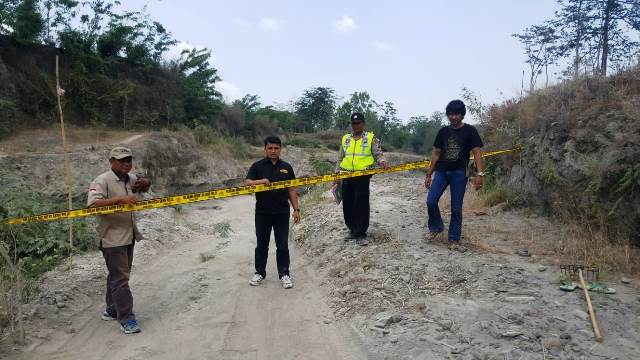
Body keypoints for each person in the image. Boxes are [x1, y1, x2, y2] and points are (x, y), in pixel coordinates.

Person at [87, 146, 150, 334]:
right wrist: (120, 200)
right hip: (112, 237)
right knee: (121, 278)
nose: (126, 164)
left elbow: (143, 186)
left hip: (128, 234)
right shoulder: (102, 180)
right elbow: (92, 205)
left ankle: (112, 309)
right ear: (111, 162)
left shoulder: (129, 178)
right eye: (122, 160)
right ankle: (127, 318)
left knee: (117, 275)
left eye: (128, 160)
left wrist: (146, 183)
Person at [424, 100, 484, 252]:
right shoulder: (443, 132)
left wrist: (480, 174)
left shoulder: (470, 131)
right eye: (450, 114)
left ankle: (453, 239)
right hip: (442, 172)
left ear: (462, 114)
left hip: (459, 173)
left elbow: (477, 152)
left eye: (456, 114)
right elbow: (436, 153)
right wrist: (429, 174)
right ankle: (436, 227)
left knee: (456, 208)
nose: (453, 117)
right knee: (431, 201)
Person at [245, 136, 300, 289]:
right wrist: (260, 181)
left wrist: (296, 209)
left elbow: (292, 189)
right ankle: (259, 273)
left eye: (276, 148)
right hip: (262, 212)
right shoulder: (257, 166)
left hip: (282, 212)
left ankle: (284, 274)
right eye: (270, 148)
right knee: (261, 244)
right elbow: (247, 183)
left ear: (280, 149)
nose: (273, 151)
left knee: (282, 244)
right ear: (265, 149)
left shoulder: (287, 167)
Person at [335, 112, 388, 246]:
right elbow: (340, 158)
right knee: (348, 203)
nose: (356, 126)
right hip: (346, 174)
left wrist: (382, 161)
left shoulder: (371, 138)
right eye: (353, 123)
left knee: (361, 203)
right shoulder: (346, 138)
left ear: (363, 124)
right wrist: (337, 175)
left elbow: (378, 153)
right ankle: (352, 229)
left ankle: (361, 232)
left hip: (362, 175)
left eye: (358, 123)